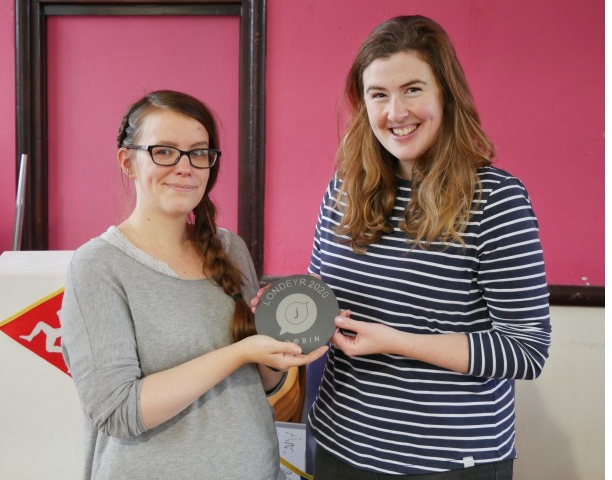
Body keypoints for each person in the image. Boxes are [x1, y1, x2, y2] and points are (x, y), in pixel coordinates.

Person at [305, 15, 551, 479]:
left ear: (446, 95)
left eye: (413, 89)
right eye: (379, 94)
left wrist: (396, 342)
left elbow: (527, 351)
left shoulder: (496, 200)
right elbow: (323, 302)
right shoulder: (343, 188)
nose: (395, 112)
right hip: (341, 446)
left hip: (449, 462)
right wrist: (288, 314)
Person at [60, 90, 328, 480]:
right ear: (127, 161)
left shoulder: (230, 248)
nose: (185, 167)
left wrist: (280, 344)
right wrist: (239, 352)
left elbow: (261, 382)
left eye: (198, 153)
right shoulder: (97, 266)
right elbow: (119, 412)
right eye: (164, 151)